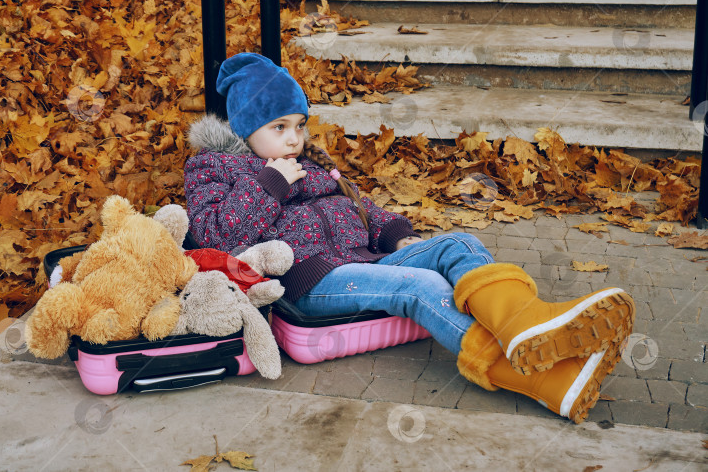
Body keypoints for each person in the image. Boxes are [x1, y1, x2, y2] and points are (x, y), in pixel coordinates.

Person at [183, 52, 635, 423]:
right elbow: (214, 236)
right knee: (423, 288)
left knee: (456, 245)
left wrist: (398, 237)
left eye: (299, 125)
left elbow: (364, 209)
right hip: (311, 280)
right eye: (278, 127)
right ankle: (542, 381)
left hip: (366, 261)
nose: (294, 139)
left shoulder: (317, 163)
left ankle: (526, 327)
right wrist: (269, 184)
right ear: (244, 129)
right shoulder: (217, 169)